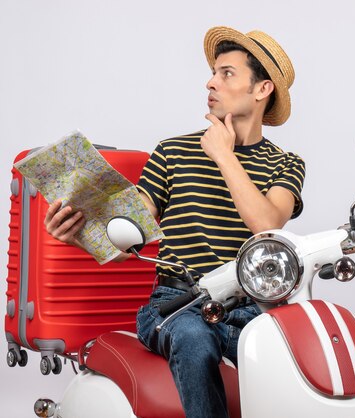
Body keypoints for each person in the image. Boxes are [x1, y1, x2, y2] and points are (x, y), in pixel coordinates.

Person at [44, 26, 305, 418]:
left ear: (262, 89)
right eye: (214, 72)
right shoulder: (173, 151)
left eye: (226, 73)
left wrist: (223, 155)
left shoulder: (287, 164)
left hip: (251, 308)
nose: (211, 81)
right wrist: (77, 234)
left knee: (291, 356)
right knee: (194, 340)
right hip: (177, 305)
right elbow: (126, 237)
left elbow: (266, 223)